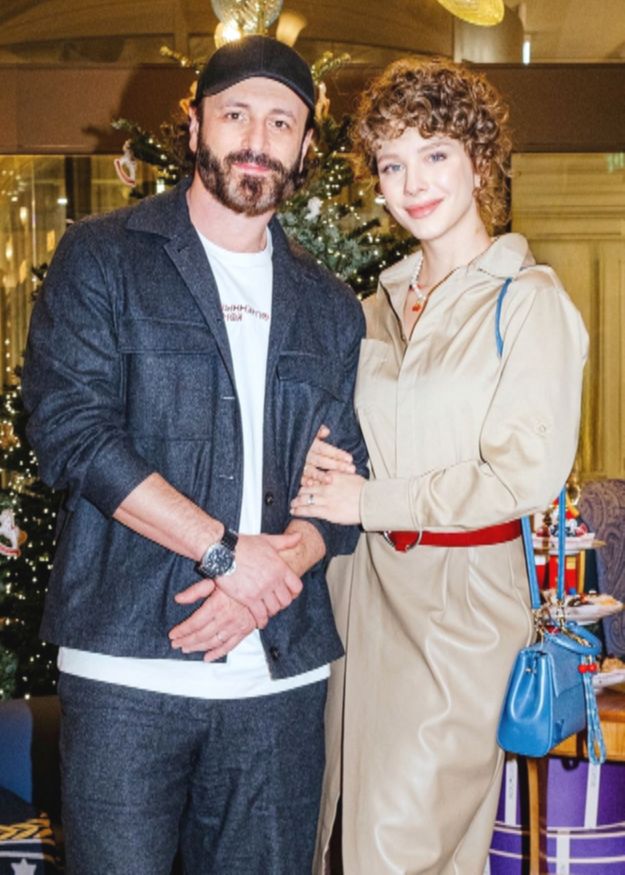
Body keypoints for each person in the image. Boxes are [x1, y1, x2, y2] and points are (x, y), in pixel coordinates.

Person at [21, 35, 367, 875]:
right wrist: (224, 554)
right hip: (127, 672)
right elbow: (72, 431)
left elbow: (345, 478)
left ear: (305, 146)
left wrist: (279, 564)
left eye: (281, 121)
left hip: (278, 684)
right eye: (235, 113)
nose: (257, 138)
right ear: (193, 126)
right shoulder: (104, 255)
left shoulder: (330, 305)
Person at [291, 58, 588, 874]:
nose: (411, 182)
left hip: (461, 605)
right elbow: (351, 438)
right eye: (391, 163)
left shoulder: (527, 301)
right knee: (341, 841)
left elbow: (524, 475)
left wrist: (368, 500)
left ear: (479, 161)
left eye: (433, 153)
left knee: (395, 849)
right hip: (356, 595)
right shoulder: (371, 307)